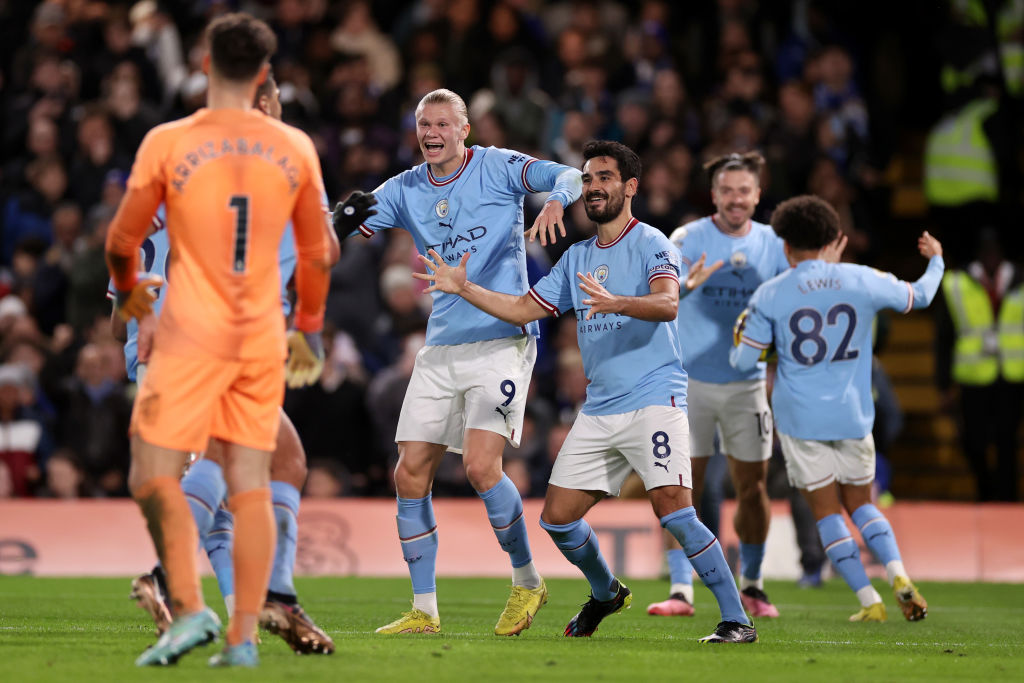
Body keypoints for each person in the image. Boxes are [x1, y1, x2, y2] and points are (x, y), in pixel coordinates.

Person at [416, 140, 757, 644]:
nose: (594, 188)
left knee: (674, 508)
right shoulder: (575, 257)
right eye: (589, 179)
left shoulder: (652, 244)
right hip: (599, 408)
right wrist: (463, 287)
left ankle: (736, 619)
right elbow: (521, 310)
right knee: (557, 519)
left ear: (630, 187)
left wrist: (617, 301)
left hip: (653, 398)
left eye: (605, 179)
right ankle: (606, 592)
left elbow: (667, 305)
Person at [105, 13, 332, 667]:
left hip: (183, 334)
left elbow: (123, 243)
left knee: (161, 475)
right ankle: (235, 625)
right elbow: (320, 256)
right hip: (258, 337)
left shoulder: (169, 143)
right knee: (259, 475)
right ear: (264, 75)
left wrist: (134, 306)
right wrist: (309, 332)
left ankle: (193, 598)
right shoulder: (290, 149)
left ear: (203, 66)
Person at [332, 88, 582, 636]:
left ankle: (527, 581)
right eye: (424, 123)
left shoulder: (497, 167)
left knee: (478, 466)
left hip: (502, 337)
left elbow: (570, 174)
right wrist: (335, 224)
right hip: (441, 345)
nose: (431, 132)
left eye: (443, 122)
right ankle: (425, 609)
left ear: (464, 129)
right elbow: (351, 221)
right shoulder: (406, 188)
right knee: (410, 471)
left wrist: (559, 200)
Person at [730, 195, 942, 623]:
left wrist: (763, 345)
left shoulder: (770, 293)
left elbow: (740, 362)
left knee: (827, 512)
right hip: (853, 415)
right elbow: (920, 296)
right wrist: (935, 260)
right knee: (863, 505)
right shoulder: (860, 278)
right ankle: (899, 575)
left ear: (786, 247)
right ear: (833, 240)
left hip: (801, 420)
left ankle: (869, 602)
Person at [651, 152, 791, 619]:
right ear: (714, 195)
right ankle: (680, 590)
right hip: (688, 382)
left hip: (747, 384)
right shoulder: (687, 238)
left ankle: (753, 582)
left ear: (757, 194)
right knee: (678, 487)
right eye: (727, 191)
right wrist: (687, 287)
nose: (736, 199)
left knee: (752, 488)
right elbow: (660, 297)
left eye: (744, 191)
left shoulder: (774, 243)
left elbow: (786, 308)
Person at [935, 228, 1023, 502]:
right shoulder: (956, 282)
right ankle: (985, 494)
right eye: (986, 250)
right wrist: (943, 384)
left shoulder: (1019, 278)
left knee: (1007, 442)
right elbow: (944, 337)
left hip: (1012, 376)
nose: (991, 256)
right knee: (974, 442)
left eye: (995, 249)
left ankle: (1007, 500)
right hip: (973, 377)